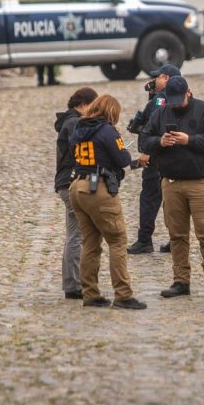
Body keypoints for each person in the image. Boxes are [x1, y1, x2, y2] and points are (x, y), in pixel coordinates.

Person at [139, 76, 204, 298]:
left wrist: (190, 140)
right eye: (172, 100)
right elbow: (144, 140)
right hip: (171, 183)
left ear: (189, 92)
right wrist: (160, 142)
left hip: (200, 182)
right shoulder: (161, 112)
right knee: (177, 235)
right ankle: (181, 281)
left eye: (179, 99)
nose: (176, 104)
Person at [69, 95, 147, 310]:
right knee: (117, 240)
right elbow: (122, 160)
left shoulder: (79, 127)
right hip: (98, 189)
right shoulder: (106, 130)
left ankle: (90, 294)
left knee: (91, 244)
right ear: (110, 112)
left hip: (77, 187)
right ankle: (123, 295)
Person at [126, 64, 183, 255]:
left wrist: (147, 151)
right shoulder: (181, 98)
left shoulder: (159, 100)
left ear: (166, 78)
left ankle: (144, 240)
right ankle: (176, 239)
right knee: (174, 201)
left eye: (156, 77)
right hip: (176, 158)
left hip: (156, 158)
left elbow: (152, 127)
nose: (152, 81)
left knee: (149, 199)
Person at [54, 86, 98, 300]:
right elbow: (80, 149)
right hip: (70, 183)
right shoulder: (73, 123)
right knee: (77, 234)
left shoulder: (69, 121)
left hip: (65, 183)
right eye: (93, 106)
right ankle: (74, 284)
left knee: (73, 233)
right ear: (82, 105)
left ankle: (72, 283)